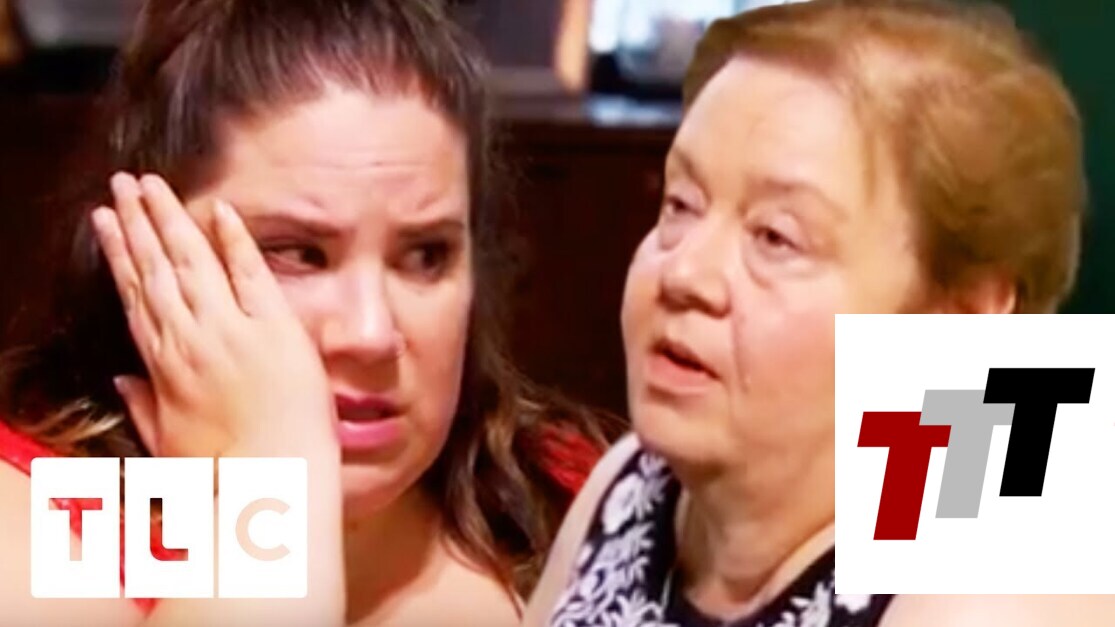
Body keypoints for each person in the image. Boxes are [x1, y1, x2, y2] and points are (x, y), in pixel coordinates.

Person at [0, 0, 613, 625]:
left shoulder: (570, 500)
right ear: (143, 244)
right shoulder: (46, 532)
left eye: (427, 254)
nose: (371, 334)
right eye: (296, 253)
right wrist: (270, 475)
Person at [525, 0, 1115, 625]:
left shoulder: (1004, 585)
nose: (683, 274)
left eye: (775, 237)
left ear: (959, 318)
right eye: (681, 203)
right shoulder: (631, 478)